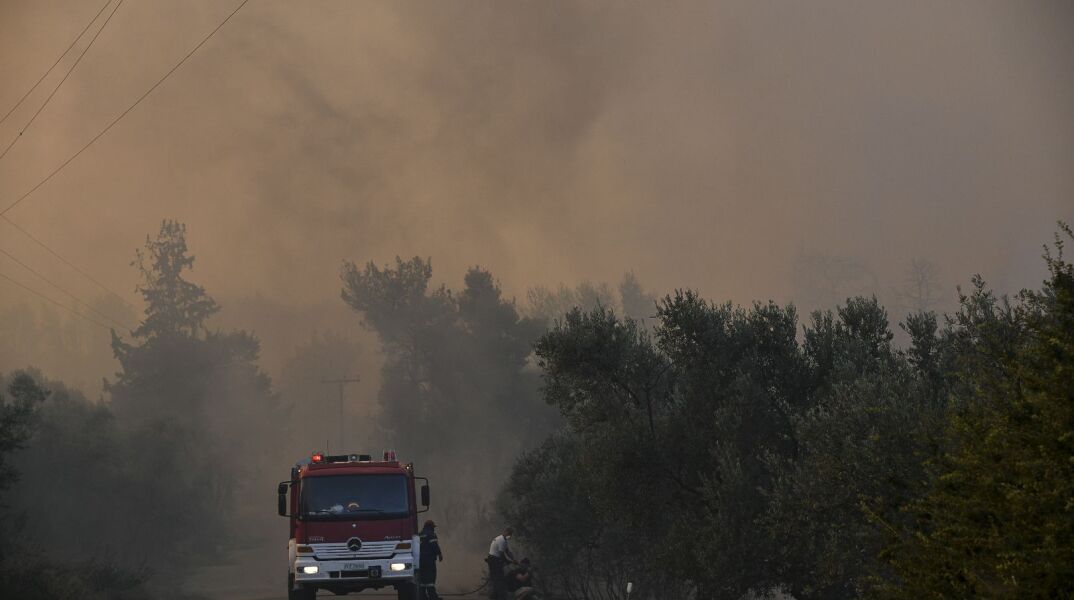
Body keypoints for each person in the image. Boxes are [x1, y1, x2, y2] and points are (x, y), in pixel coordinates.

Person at [486, 527, 516, 600]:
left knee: (498, 581)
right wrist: (508, 561)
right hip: (494, 561)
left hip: (495, 561)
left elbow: (507, 551)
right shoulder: (501, 540)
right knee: (499, 581)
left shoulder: (503, 540)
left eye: (510, 534)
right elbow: (501, 554)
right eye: (509, 533)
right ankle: (497, 597)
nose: (509, 535)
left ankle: (495, 596)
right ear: (505, 532)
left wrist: (513, 559)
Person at [419, 519, 443, 600]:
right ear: (431, 527)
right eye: (433, 527)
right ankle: (433, 597)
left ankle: (422, 596)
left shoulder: (419, 534)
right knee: (430, 579)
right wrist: (439, 554)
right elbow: (434, 546)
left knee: (422, 579)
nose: (434, 528)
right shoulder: (431, 534)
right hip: (429, 560)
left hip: (420, 561)